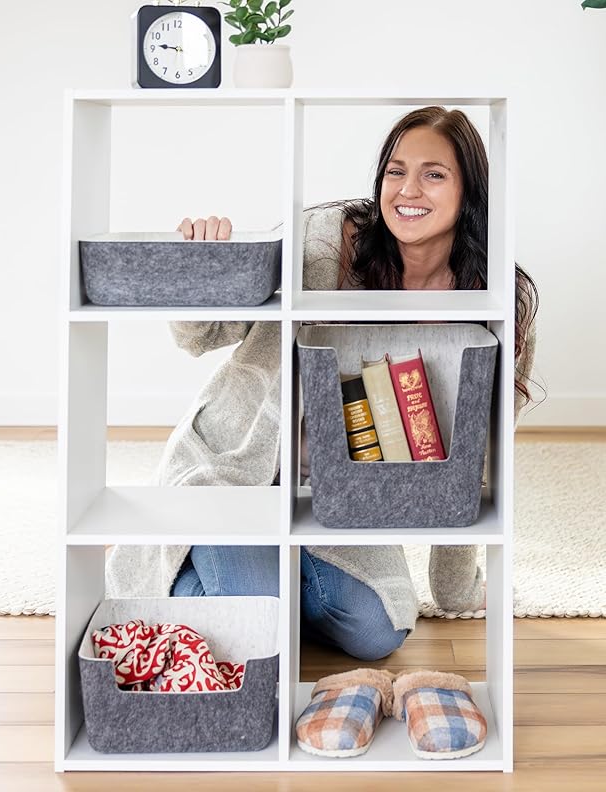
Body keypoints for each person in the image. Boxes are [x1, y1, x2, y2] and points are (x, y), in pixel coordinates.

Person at [105, 106, 538, 662]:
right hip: (241, 475)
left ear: (470, 192)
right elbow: (203, 334)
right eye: (395, 171)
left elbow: (474, 454)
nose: (408, 190)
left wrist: (454, 586)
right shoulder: (322, 243)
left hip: (342, 500)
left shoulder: (502, 297)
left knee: (377, 634)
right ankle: (197, 565)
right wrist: (202, 262)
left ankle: (250, 584)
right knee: (255, 629)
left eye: (434, 174)